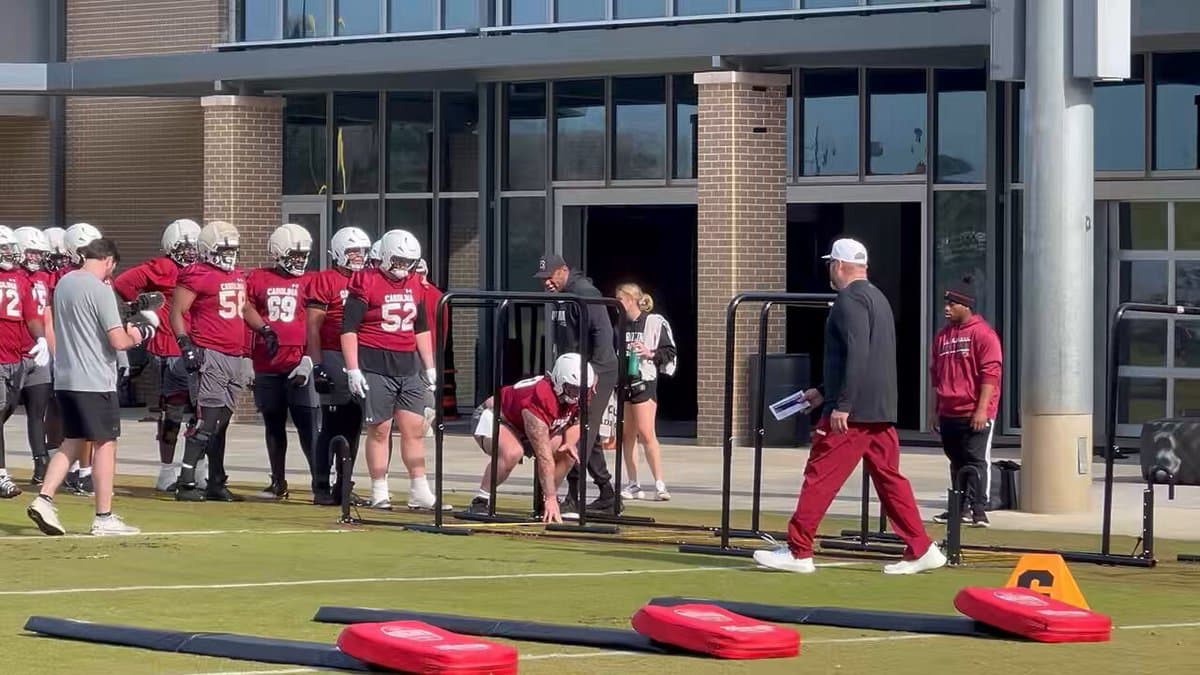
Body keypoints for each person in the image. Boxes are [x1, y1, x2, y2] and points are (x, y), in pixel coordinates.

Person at [754, 238, 946, 575]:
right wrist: (822, 391)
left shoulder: (848, 300)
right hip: (878, 409)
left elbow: (858, 354)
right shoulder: (878, 298)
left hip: (852, 414)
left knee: (819, 476)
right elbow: (865, 357)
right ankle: (921, 546)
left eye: (831, 264)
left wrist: (841, 403)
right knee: (889, 480)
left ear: (839, 265)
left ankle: (799, 551)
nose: (830, 269)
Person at [26, 237, 156, 536]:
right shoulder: (101, 289)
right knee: (105, 445)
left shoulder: (64, 283)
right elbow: (118, 341)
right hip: (94, 379)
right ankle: (104, 516)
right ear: (109, 261)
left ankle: (44, 499)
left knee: (72, 441)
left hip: (66, 378)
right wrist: (144, 331)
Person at [341, 229, 440, 510]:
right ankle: (379, 490)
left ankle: (419, 489)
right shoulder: (366, 281)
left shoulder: (415, 283)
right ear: (385, 255)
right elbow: (348, 329)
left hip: (408, 364)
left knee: (414, 429)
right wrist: (353, 368)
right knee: (380, 429)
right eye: (398, 260)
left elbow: (421, 328)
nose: (403, 266)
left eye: (408, 261)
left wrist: (429, 366)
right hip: (375, 363)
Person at [113, 218, 205, 492]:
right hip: (170, 348)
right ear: (170, 247)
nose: (189, 253)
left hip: (198, 346)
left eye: (193, 247)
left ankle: (198, 469)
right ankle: (167, 471)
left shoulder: (204, 270)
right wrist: (144, 307)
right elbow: (124, 283)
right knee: (172, 413)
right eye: (184, 248)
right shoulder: (163, 267)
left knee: (201, 413)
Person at [170, 220, 250, 502]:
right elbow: (177, 311)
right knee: (207, 421)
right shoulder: (197, 274)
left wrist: (264, 329)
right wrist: (185, 344)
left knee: (222, 423)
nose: (229, 255)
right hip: (210, 353)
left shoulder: (238, 275)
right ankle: (186, 482)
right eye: (223, 250)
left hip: (235, 355)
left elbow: (244, 307)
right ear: (207, 250)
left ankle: (216, 480)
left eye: (232, 250)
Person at [534, 254, 619, 517]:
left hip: (595, 372)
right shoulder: (563, 294)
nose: (547, 283)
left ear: (563, 270)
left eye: (550, 277)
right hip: (573, 371)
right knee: (584, 430)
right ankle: (607, 493)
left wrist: (592, 374)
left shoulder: (584, 293)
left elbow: (602, 334)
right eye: (543, 279)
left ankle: (574, 496)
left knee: (580, 431)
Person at [466, 353, 594, 523]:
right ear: (559, 381)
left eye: (582, 389)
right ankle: (481, 500)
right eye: (573, 388)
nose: (578, 395)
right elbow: (544, 457)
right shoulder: (540, 398)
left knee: (567, 452)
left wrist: (569, 442)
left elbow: (579, 420)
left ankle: (544, 502)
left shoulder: (583, 392)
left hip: (524, 424)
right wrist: (551, 497)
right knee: (512, 452)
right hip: (495, 416)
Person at [243, 223, 319, 500]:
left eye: (302, 255)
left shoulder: (312, 280)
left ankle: (320, 481)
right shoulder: (258, 278)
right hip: (266, 362)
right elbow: (244, 311)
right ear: (277, 253)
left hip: (298, 362)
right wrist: (247, 357)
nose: (299, 261)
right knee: (273, 425)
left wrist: (309, 359)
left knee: (308, 426)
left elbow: (318, 324)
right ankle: (278, 481)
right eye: (294, 255)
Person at [929, 276, 1002, 528]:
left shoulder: (983, 334)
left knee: (976, 460)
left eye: (952, 304)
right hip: (949, 411)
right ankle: (958, 508)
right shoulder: (942, 337)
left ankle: (978, 509)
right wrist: (935, 410)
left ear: (966, 305)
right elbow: (936, 376)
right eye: (946, 303)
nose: (946, 308)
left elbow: (991, 374)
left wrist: (982, 410)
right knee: (956, 461)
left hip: (973, 411)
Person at [307, 226, 372, 505]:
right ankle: (321, 485)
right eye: (352, 251)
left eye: (362, 251)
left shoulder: (369, 279)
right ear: (337, 252)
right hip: (333, 354)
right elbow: (312, 327)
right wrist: (317, 365)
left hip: (360, 356)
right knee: (332, 423)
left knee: (354, 425)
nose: (358, 256)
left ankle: (343, 485)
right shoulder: (325, 280)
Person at [0, 226, 50, 498]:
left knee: (7, 410)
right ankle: (1, 475)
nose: (9, 253)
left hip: (16, 358)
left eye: (10, 248)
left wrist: (41, 339)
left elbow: (32, 315)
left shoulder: (21, 279)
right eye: (4, 248)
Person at [614, 283, 677, 502]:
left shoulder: (653, 322)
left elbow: (669, 351)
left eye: (619, 299)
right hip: (624, 381)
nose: (616, 303)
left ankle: (659, 484)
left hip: (644, 380)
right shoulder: (620, 325)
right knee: (627, 434)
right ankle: (633, 483)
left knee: (646, 432)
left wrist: (649, 353)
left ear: (631, 300)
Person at [59, 222, 106, 497]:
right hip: (79, 356)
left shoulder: (98, 278)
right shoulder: (68, 279)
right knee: (84, 423)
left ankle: (79, 471)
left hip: (99, 355)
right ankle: (84, 472)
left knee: (89, 424)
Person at [13, 227, 62, 486]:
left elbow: (48, 318)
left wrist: (53, 351)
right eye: (31, 251)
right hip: (13, 353)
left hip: (38, 353)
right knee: (5, 410)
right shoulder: (12, 277)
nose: (35, 257)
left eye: (39, 253)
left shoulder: (44, 277)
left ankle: (40, 463)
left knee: (37, 411)